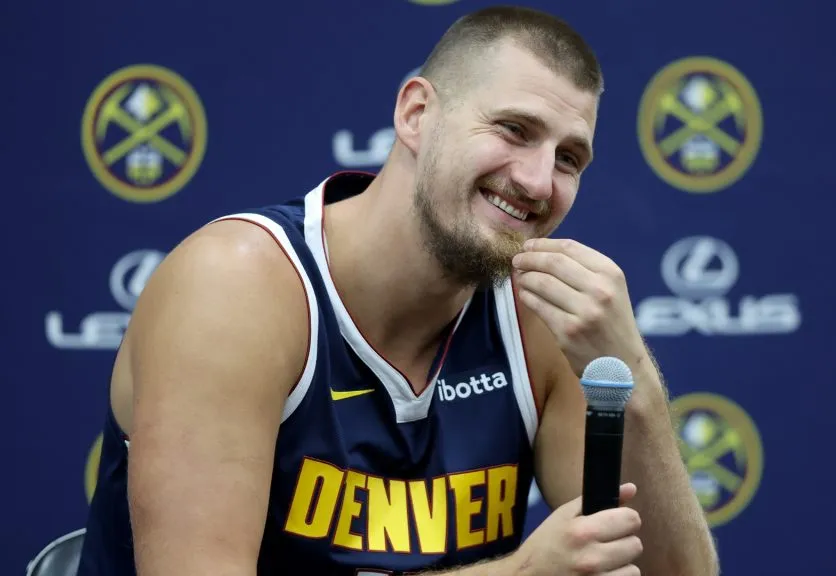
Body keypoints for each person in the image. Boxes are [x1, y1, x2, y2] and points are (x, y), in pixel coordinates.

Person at [77, 6, 719, 576]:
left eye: (569, 159)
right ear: (416, 114)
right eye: (514, 130)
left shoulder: (538, 318)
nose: (537, 180)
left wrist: (633, 376)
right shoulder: (238, 287)